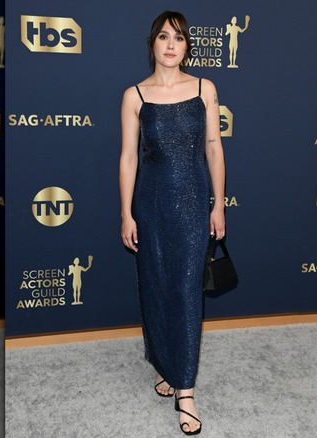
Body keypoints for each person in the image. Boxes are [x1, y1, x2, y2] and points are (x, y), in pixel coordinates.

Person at [119, 10, 226, 436]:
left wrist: (218, 206)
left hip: (195, 203)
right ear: (153, 43)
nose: (170, 44)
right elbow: (128, 157)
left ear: (187, 47)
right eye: (163, 36)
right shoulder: (135, 95)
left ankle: (186, 389)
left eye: (178, 38)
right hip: (150, 204)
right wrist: (126, 211)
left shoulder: (204, 88)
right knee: (156, 286)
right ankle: (164, 363)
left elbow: (214, 148)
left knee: (185, 291)